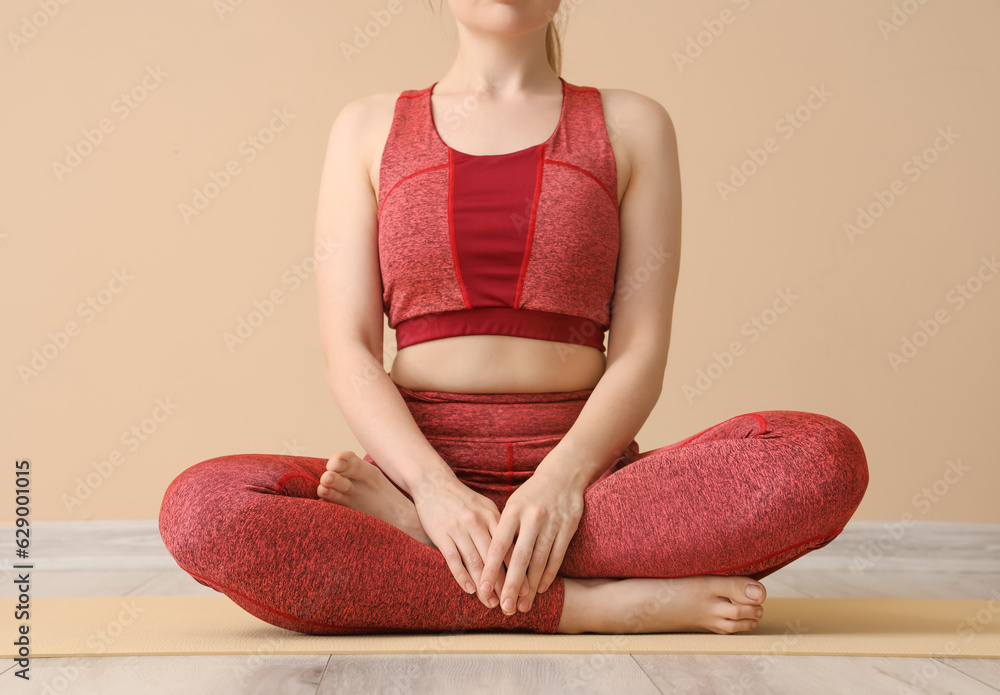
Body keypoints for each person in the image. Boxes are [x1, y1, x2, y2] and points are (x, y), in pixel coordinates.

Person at [159, 0, 869, 636]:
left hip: (591, 485)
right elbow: (347, 350)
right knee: (203, 508)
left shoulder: (634, 125)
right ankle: (583, 605)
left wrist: (560, 484)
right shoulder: (366, 128)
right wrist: (432, 495)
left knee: (823, 457)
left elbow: (642, 351)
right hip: (414, 472)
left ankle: (433, 555)